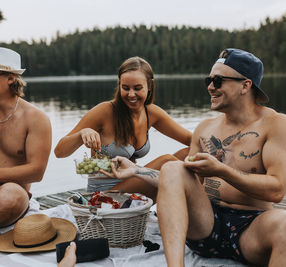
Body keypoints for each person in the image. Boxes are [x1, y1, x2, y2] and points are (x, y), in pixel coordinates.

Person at [155, 48, 286, 266]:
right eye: (209, 80)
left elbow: (277, 189)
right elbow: (178, 184)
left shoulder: (276, 124)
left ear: (245, 85)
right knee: (171, 168)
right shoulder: (204, 128)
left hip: (251, 227)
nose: (210, 87)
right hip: (206, 224)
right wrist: (134, 170)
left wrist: (221, 170)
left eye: (218, 80)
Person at [54, 56, 191, 200]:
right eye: (125, 88)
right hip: (104, 195)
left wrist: (214, 160)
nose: (131, 94)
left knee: (187, 154)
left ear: (150, 86)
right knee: (168, 162)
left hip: (131, 185)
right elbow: (59, 151)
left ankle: (204, 202)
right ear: (119, 85)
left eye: (137, 88)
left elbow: (190, 139)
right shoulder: (104, 111)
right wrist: (82, 133)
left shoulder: (151, 113)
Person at [0, 47, 52, 227]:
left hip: (13, 190)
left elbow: (37, 172)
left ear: (10, 78)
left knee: (9, 198)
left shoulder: (36, 118)